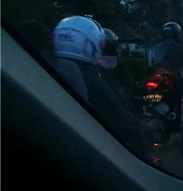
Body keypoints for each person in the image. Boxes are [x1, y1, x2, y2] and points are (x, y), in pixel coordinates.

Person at [52, 16, 153, 161]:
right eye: (101, 44)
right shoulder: (89, 75)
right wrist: (141, 125)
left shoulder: (56, 66)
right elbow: (114, 110)